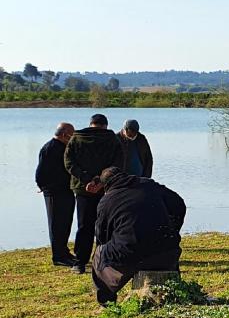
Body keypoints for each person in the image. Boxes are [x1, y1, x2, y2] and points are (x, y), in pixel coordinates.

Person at [91, 167, 186, 305]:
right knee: (166, 241)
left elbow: (101, 236)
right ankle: (175, 290)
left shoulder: (106, 201)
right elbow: (178, 204)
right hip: (167, 252)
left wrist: (110, 245)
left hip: (130, 254)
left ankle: (106, 301)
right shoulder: (149, 185)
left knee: (99, 254)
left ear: (106, 186)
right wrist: (172, 228)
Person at [64, 114, 123, 274]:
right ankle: (103, 260)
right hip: (106, 189)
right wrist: (100, 181)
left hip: (83, 189)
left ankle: (80, 262)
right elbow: (118, 164)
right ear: (105, 125)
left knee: (84, 225)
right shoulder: (113, 139)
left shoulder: (76, 138)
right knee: (105, 225)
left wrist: (87, 179)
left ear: (91, 124)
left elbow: (69, 163)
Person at [35, 122, 76, 266]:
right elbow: (40, 173)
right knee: (56, 224)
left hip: (67, 190)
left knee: (66, 223)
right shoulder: (49, 148)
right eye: (72, 134)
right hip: (54, 192)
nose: (74, 137)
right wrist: (42, 186)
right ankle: (58, 257)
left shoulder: (65, 147)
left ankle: (64, 252)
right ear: (64, 134)